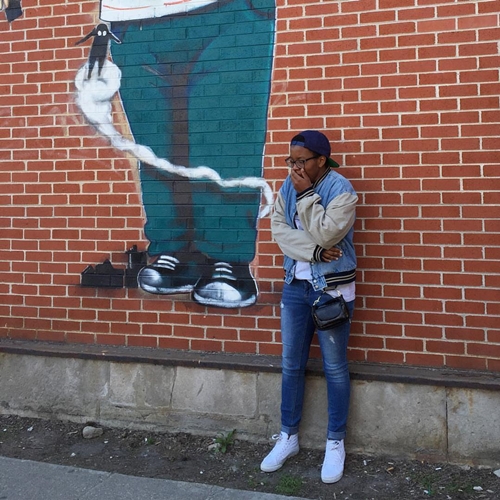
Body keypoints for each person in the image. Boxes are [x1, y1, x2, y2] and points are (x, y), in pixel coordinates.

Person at [96, 0, 276, 308]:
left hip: (226, 10)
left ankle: (227, 256)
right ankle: (176, 252)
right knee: (156, 147)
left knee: (226, 134)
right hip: (132, 16)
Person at [261, 130, 358, 483]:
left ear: (321, 160)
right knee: (291, 365)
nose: (294, 167)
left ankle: (335, 442)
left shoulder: (341, 190)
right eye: (291, 160)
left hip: (331, 291)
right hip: (295, 288)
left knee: (335, 368)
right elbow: (279, 232)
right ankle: (288, 437)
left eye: (301, 161)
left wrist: (305, 196)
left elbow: (328, 233)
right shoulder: (287, 187)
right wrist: (315, 251)